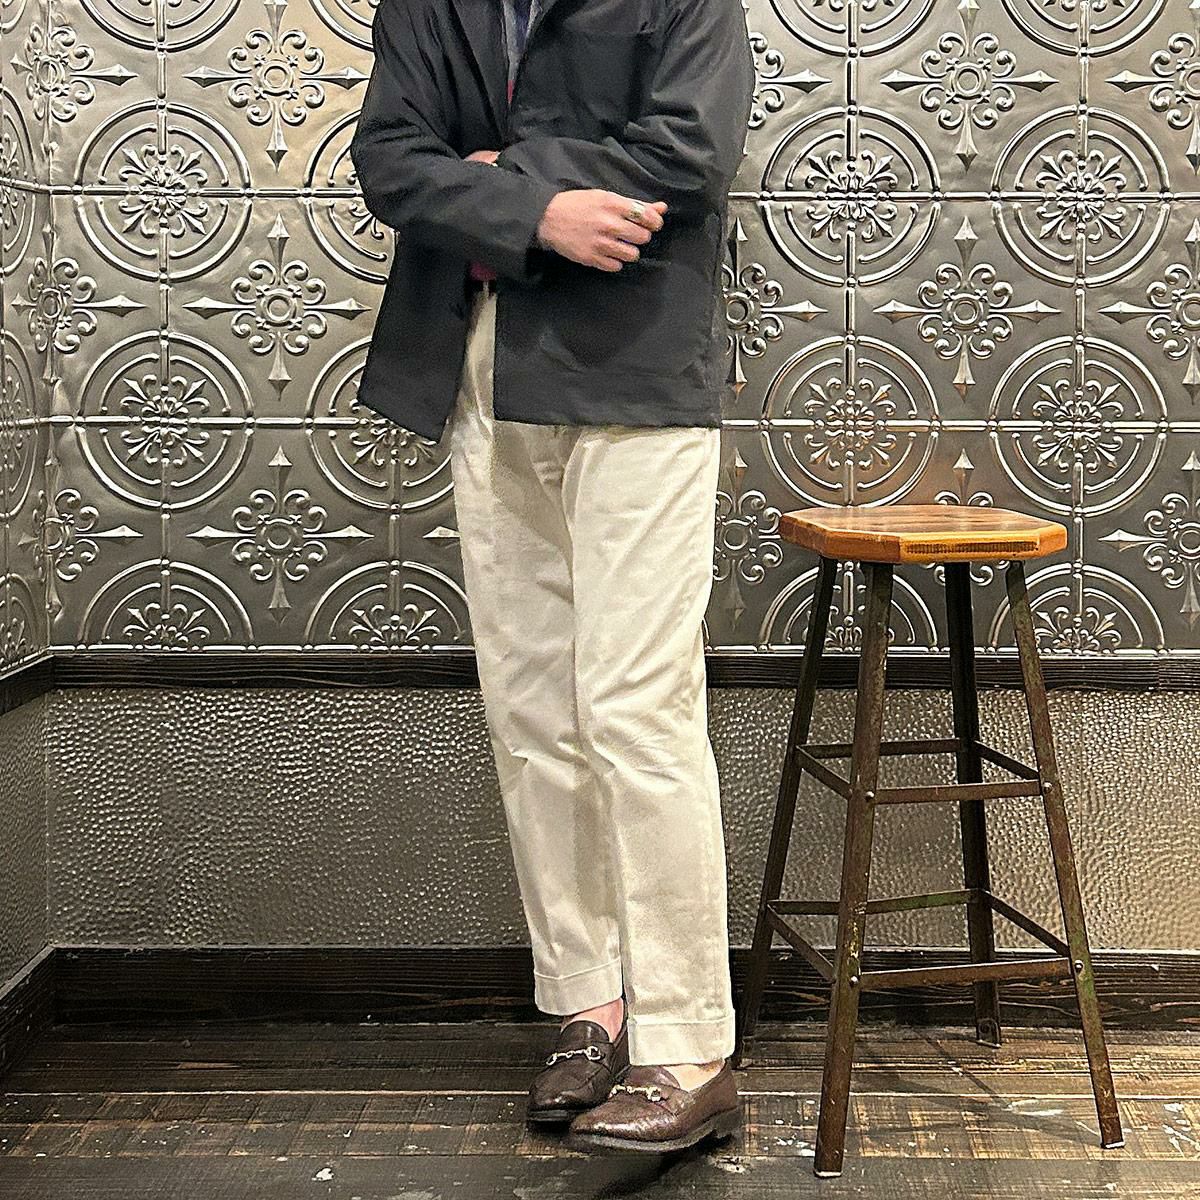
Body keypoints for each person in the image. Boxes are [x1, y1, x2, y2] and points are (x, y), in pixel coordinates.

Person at [350, 0, 755, 1154]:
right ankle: (592, 1005)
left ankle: (689, 1048)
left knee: (635, 705)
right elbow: (391, 159)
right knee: (532, 705)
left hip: (637, 365)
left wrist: (502, 181)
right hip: (478, 361)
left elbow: (690, 150)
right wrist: (540, 211)